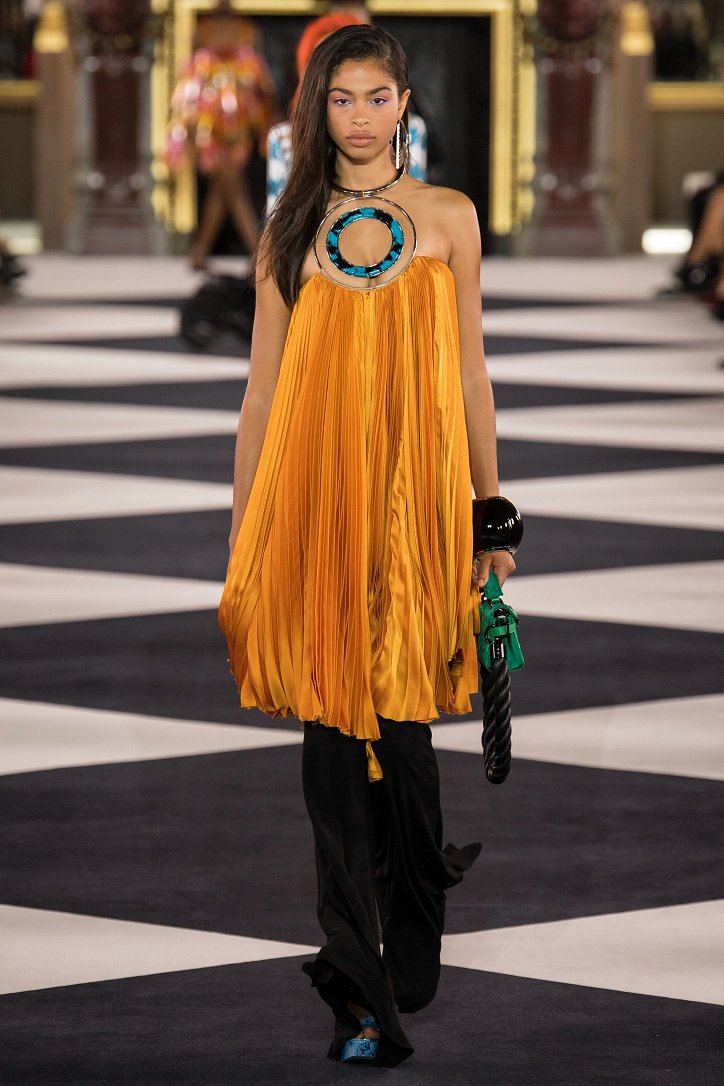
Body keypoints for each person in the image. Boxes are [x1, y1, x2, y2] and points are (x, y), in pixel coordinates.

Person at [218, 25, 515, 1067]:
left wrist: (490, 507)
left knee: (404, 725)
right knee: (331, 739)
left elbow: (471, 370)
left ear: (404, 104)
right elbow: (261, 394)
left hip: (419, 499)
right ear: (318, 109)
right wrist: (245, 529)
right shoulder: (288, 226)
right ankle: (353, 980)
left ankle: (417, 900)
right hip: (312, 502)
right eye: (339, 98)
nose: (358, 116)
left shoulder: (449, 217)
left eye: (376, 96)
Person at [266, 12, 427, 218]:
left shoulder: (411, 130)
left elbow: (418, 206)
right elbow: (277, 216)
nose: (360, 118)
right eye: (342, 101)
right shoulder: (283, 138)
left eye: (377, 100)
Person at [166, 6, 277, 270]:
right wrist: (186, 136)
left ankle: (200, 252)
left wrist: (259, 127)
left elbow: (261, 98)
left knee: (220, 193)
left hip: (238, 137)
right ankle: (258, 252)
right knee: (234, 189)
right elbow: (187, 103)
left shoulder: (248, 62)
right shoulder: (200, 63)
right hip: (210, 139)